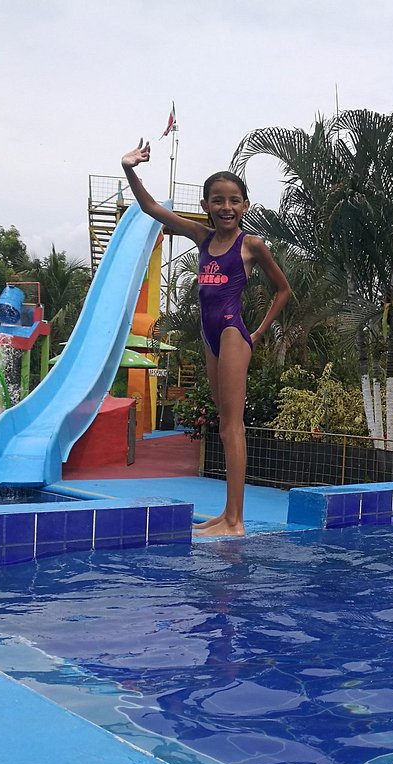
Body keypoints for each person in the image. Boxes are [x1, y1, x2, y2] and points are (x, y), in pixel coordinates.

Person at [121, 139, 292, 537]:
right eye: (218, 200)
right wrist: (130, 168)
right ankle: (225, 515)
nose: (226, 207)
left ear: (245, 206)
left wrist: (258, 331)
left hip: (233, 332)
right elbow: (151, 209)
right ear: (206, 205)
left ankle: (235, 521)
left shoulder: (251, 245)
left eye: (234, 200)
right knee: (221, 424)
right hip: (209, 335)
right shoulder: (201, 238)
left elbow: (283, 289)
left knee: (233, 426)